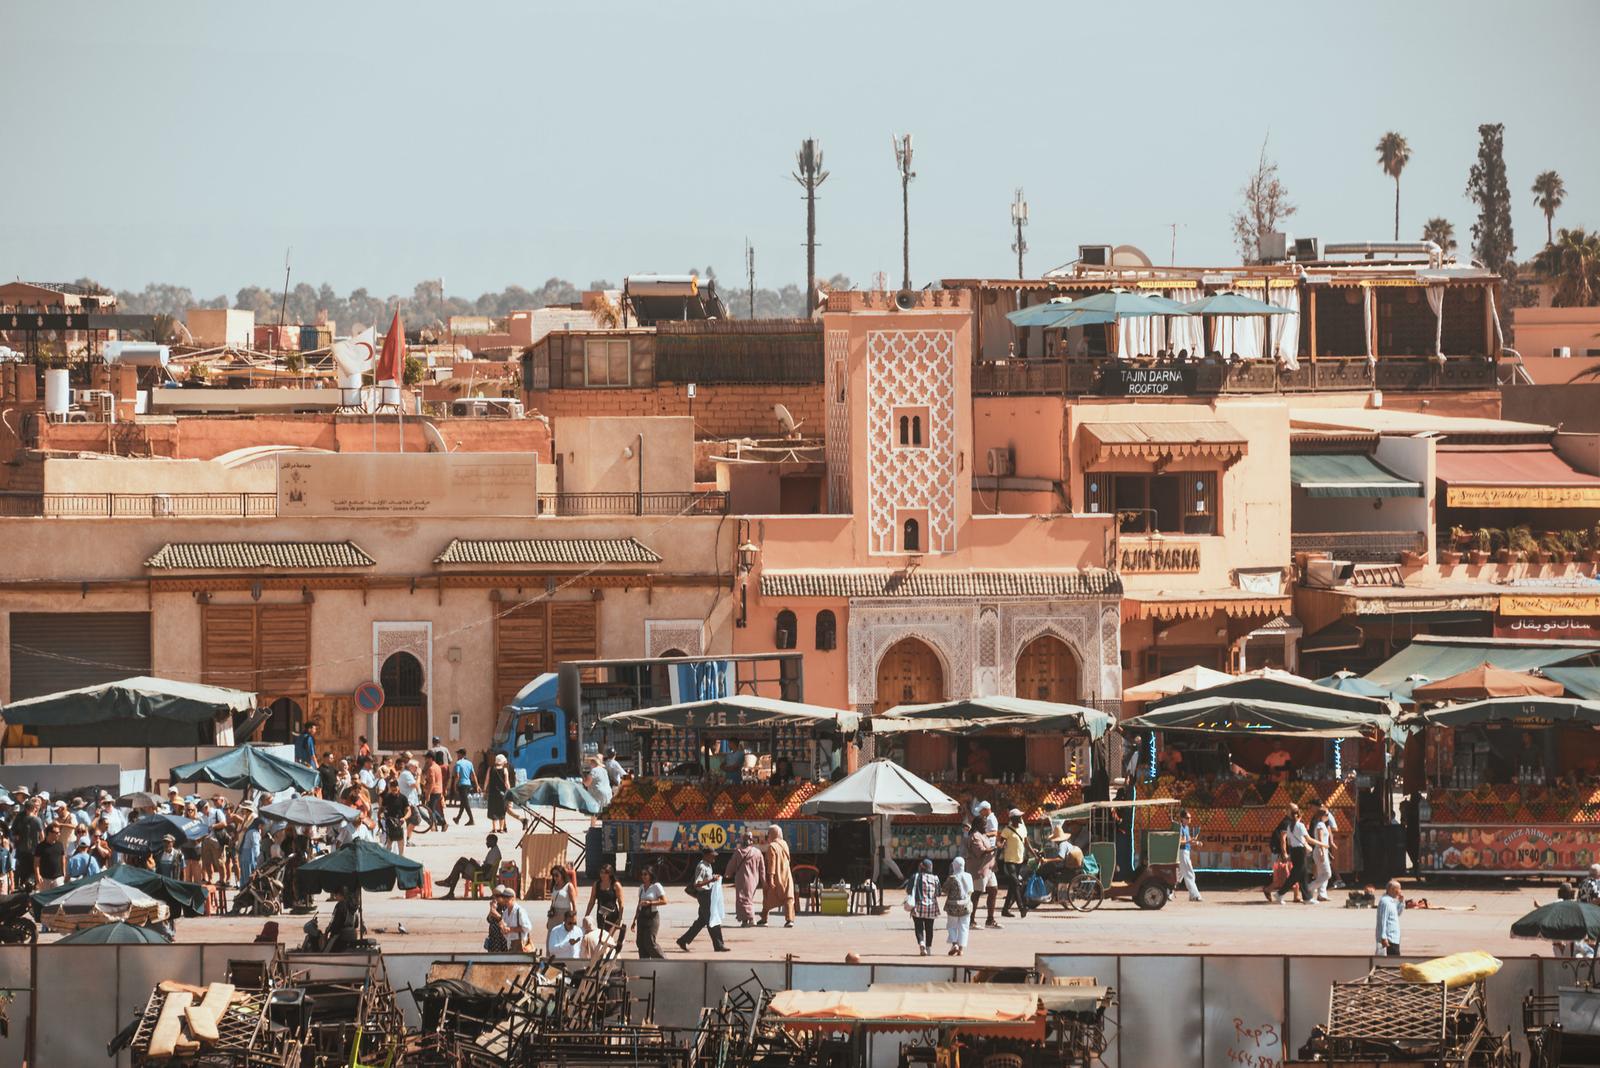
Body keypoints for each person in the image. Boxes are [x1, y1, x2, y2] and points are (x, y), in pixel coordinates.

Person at [677, 846, 729, 952]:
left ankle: (683, 940)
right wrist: (711, 880)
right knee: (712, 920)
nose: (714, 857)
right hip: (704, 896)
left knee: (701, 921)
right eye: (712, 855)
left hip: (707, 895)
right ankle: (718, 945)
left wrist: (712, 879)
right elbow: (697, 884)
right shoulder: (701, 866)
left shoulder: (708, 865)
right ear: (706, 855)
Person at [438, 834, 501, 899]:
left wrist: (475, 864)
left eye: (488, 841)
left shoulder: (494, 852)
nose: (486, 843)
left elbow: (485, 870)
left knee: (461, 863)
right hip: (483, 873)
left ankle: (449, 884)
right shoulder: (494, 850)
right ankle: (449, 887)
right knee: (460, 864)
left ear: (493, 841)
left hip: (481, 875)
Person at [997, 809, 1033, 919]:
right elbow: (1000, 842)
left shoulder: (1022, 828)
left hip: (1019, 861)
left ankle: (1005, 910)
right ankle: (1022, 908)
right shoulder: (1006, 830)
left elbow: (1027, 843)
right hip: (1009, 861)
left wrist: (1035, 855)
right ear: (1013, 819)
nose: (1020, 818)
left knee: (1013, 886)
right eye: (1018, 817)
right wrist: (1000, 845)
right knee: (1016, 883)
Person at [965, 819, 1000, 929]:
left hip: (989, 869)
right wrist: (995, 847)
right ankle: (971, 921)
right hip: (979, 870)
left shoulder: (983, 835)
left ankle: (990, 920)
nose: (986, 827)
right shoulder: (975, 836)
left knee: (993, 890)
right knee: (976, 894)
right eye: (984, 825)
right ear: (978, 825)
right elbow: (980, 851)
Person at [724, 831, 765, 927]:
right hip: (754, 880)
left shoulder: (738, 852)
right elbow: (762, 869)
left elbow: (731, 864)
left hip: (742, 879)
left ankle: (748, 919)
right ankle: (749, 919)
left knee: (742, 899)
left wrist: (728, 874)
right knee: (749, 898)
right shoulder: (757, 852)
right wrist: (763, 881)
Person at [904, 857, 942, 956]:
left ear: (922, 867)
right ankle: (928, 948)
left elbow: (908, 890)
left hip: (918, 907)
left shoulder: (915, 876)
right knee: (929, 928)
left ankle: (921, 943)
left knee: (919, 927)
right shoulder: (936, 878)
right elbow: (938, 893)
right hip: (932, 908)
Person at [759, 825, 796, 927]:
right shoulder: (785, 844)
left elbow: (772, 863)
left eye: (769, 833)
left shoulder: (772, 846)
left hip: (776, 877)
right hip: (787, 876)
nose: (768, 836)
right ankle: (790, 920)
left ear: (772, 834)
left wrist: (770, 879)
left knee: (767, 896)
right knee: (788, 898)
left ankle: (764, 919)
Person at [635, 867, 668, 959]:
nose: (643, 876)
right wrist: (635, 919)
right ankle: (644, 962)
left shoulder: (656, 886)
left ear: (650, 875)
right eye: (642, 874)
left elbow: (665, 901)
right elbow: (639, 903)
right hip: (642, 916)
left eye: (645, 874)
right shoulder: (641, 887)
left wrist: (650, 903)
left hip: (652, 916)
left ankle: (663, 960)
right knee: (640, 942)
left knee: (649, 941)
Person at [944, 855, 974, 957]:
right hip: (966, 906)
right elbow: (971, 891)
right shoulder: (968, 876)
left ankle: (954, 944)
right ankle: (961, 950)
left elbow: (945, 890)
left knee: (952, 926)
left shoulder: (952, 878)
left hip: (952, 906)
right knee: (964, 927)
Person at [586, 863, 626, 934]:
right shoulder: (596, 884)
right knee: (601, 936)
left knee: (608, 938)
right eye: (601, 872)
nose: (603, 875)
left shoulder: (616, 885)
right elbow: (592, 901)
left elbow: (621, 903)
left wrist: (620, 918)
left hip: (612, 915)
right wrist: (587, 915)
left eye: (606, 873)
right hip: (601, 914)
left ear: (610, 874)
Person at [1306, 804, 1334, 904]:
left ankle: (1321, 893)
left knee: (1322, 874)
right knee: (1327, 874)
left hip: (1321, 851)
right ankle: (1309, 887)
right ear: (1322, 815)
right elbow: (1320, 838)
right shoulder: (1320, 825)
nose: (1328, 816)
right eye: (1327, 814)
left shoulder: (1321, 824)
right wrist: (1322, 851)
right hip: (1320, 851)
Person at [495, 886, 535, 952]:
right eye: (504, 897)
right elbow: (505, 929)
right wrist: (504, 930)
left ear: (513, 898)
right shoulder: (505, 913)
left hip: (521, 944)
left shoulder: (520, 911)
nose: (505, 899)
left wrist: (511, 929)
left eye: (507, 897)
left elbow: (528, 928)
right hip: (510, 944)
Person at [325, 885, 362, 952]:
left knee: (328, 950)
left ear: (339, 894)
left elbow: (336, 922)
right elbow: (356, 924)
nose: (336, 897)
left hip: (342, 935)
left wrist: (329, 931)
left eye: (336, 895)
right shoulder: (353, 904)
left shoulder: (340, 905)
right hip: (353, 934)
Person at [1176, 809, 1202, 902]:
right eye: (1187, 818)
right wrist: (1189, 841)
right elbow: (1179, 842)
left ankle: (1168, 892)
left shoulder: (1186, 828)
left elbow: (1189, 840)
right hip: (1182, 852)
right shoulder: (1180, 827)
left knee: (1178, 875)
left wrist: (1196, 842)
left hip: (1186, 851)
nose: (1189, 819)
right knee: (1189, 873)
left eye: (1190, 818)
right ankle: (1194, 895)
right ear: (1182, 818)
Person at [379, 778, 410, 854]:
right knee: (389, 843)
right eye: (392, 789)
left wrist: (404, 818)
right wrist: (380, 820)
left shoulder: (403, 798)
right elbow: (381, 809)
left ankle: (401, 859)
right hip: (390, 823)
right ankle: (388, 860)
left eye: (396, 789)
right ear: (390, 788)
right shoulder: (387, 798)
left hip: (400, 822)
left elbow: (409, 811)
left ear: (398, 787)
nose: (394, 791)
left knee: (401, 843)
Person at [1375, 879, 1404, 956]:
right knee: (1391, 963)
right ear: (1392, 890)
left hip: (1394, 938)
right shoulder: (1385, 902)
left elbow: (1398, 913)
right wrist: (1383, 937)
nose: (1400, 891)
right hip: (1389, 939)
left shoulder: (1391, 901)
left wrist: (1401, 902)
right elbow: (1382, 920)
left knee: (1394, 961)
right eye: (1399, 889)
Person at [485, 754, 512, 833]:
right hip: (502, 794)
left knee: (493, 810)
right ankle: (501, 829)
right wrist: (510, 791)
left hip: (492, 793)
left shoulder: (490, 769)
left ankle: (494, 829)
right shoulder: (505, 770)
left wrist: (484, 789)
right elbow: (507, 783)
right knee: (501, 810)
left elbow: (487, 780)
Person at [452, 749, 479, 826]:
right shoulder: (469, 763)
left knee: (465, 802)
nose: (457, 755)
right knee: (463, 802)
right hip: (468, 784)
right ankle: (458, 818)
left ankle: (471, 819)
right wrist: (477, 785)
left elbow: (457, 775)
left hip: (461, 784)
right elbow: (473, 775)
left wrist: (455, 785)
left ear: (461, 754)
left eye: (458, 754)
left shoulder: (458, 763)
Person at [547, 863, 578, 931]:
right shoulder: (554, 886)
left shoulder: (569, 886)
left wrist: (574, 917)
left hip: (565, 914)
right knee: (552, 934)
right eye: (553, 875)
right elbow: (552, 902)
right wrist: (549, 919)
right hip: (554, 913)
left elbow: (573, 903)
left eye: (557, 875)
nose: (555, 877)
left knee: (563, 934)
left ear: (562, 874)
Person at [36, 824, 66, 889]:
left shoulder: (60, 845)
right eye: (57, 833)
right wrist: (38, 875)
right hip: (45, 878)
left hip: (58, 878)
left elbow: (63, 860)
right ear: (50, 833)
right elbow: (36, 863)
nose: (59, 834)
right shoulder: (40, 846)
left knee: (60, 897)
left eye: (59, 832)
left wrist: (64, 873)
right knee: (44, 898)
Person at [422, 753, 446, 830]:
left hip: (433, 791)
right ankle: (438, 824)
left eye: (426, 758)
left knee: (431, 809)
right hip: (438, 790)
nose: (425, 760)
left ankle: (439, 823)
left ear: (431, 758)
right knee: (432, 808)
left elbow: (432, 782)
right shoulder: (437, 767)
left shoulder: (431, 768)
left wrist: (428, 794)